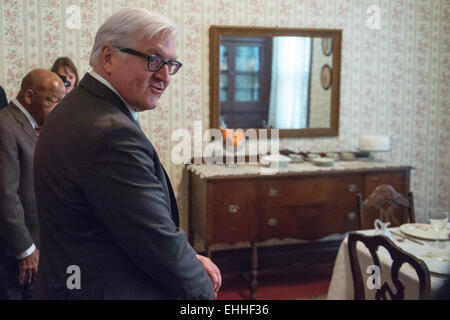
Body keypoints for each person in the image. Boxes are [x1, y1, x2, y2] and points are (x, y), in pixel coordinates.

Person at [33, 7, 221, 300]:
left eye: (170, 64)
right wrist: (203, 293)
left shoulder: (77, 107)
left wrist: (188, 257)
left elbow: (119, 223)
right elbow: (156, 240)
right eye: (154, 60)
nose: (165, 77)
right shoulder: (110, 132)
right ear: (108, 57)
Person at [0, 69, 66, 299]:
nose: (58, 109)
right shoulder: (5, 125)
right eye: (52, 101)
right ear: (29, 97)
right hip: (14, 250)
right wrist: (24, 247)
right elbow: (6, 195)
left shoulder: (27, 126)